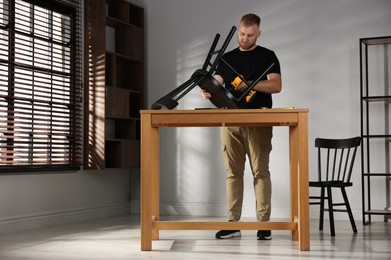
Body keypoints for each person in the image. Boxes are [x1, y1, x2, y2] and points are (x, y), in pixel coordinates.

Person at [200, 13, 282, 240]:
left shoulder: (268, 56)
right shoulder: (226, 58)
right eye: (242, 34)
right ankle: (232, 223)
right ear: (238, 30)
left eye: (251, 35)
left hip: (259, 120)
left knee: (260, 172)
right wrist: (207, 88)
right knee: (233, 174)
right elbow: (217, 80)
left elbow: (276, 85)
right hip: (230, 120)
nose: (245, 39)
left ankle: (263, 224)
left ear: (259, 33)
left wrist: (251, 85)